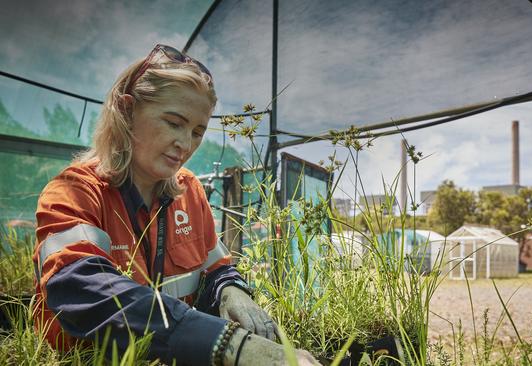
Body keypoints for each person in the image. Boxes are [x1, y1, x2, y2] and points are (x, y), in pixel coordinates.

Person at [33, 44, 321, 366]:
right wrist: (229, 345)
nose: (186, 144)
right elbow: (78, 287)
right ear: (127, 111)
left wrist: (230, 290)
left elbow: (215, 268)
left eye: (198, 131)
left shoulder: (190, 191)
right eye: (173, 122)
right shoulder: (75, 192)